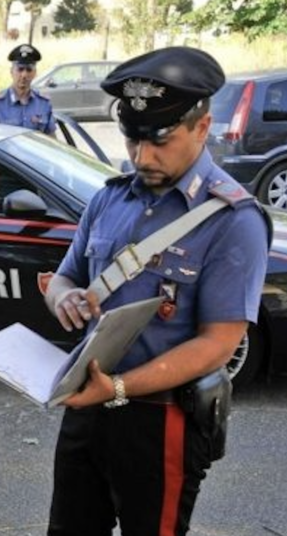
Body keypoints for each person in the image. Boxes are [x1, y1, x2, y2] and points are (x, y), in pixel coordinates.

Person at [43, 46, 270, 536]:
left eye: (160, 141)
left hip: (161, 419)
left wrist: (121, 387)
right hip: (86, 407)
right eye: (133, 140)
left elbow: (219, 343)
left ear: (202, 127)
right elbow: (64, 276)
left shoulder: (233, 220)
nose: (143, 156)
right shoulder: (109, 198)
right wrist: (63, 297)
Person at [0, 43, 56, 135]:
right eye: (20, 69)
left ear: (35, 73)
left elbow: (50, 139)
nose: (24, 75)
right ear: (11, 72)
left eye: (29, 70)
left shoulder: (44, 103)